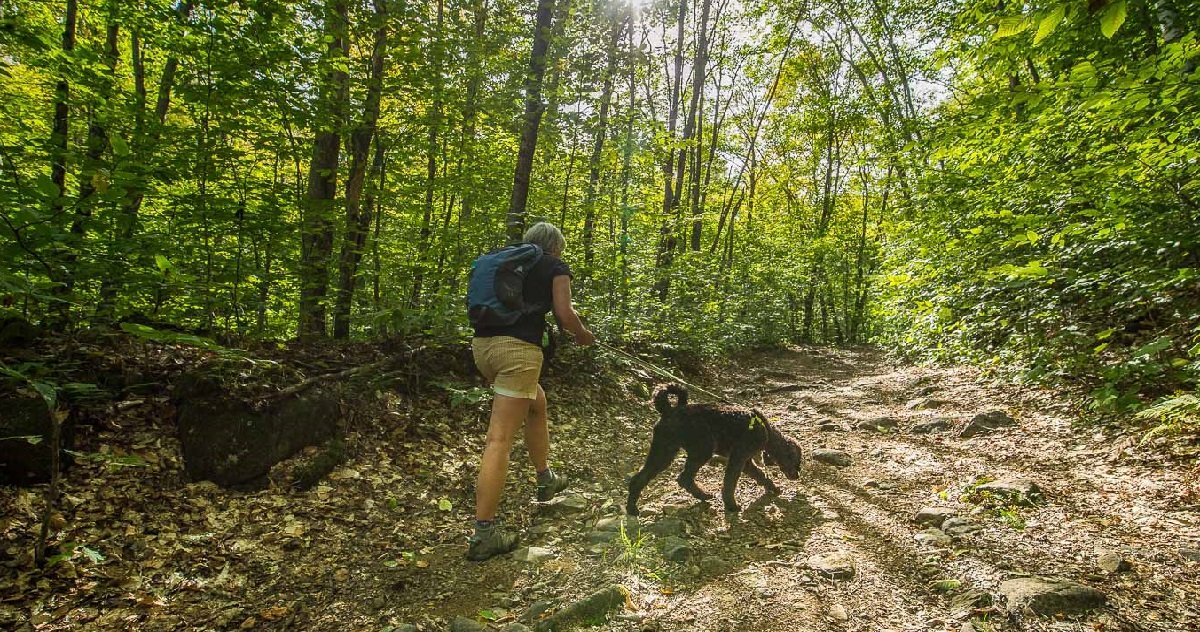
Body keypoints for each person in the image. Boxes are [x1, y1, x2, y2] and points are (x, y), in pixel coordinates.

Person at [467, 222, 595, 561]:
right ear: (555, 247)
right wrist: (583, 335)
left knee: (536, 402)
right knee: (499, 439)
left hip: (483, 349)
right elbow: (565, 314)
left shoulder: (507, 261)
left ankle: (545, 478)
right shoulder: (554, 265)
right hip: (518, 352)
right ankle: (484, 534)